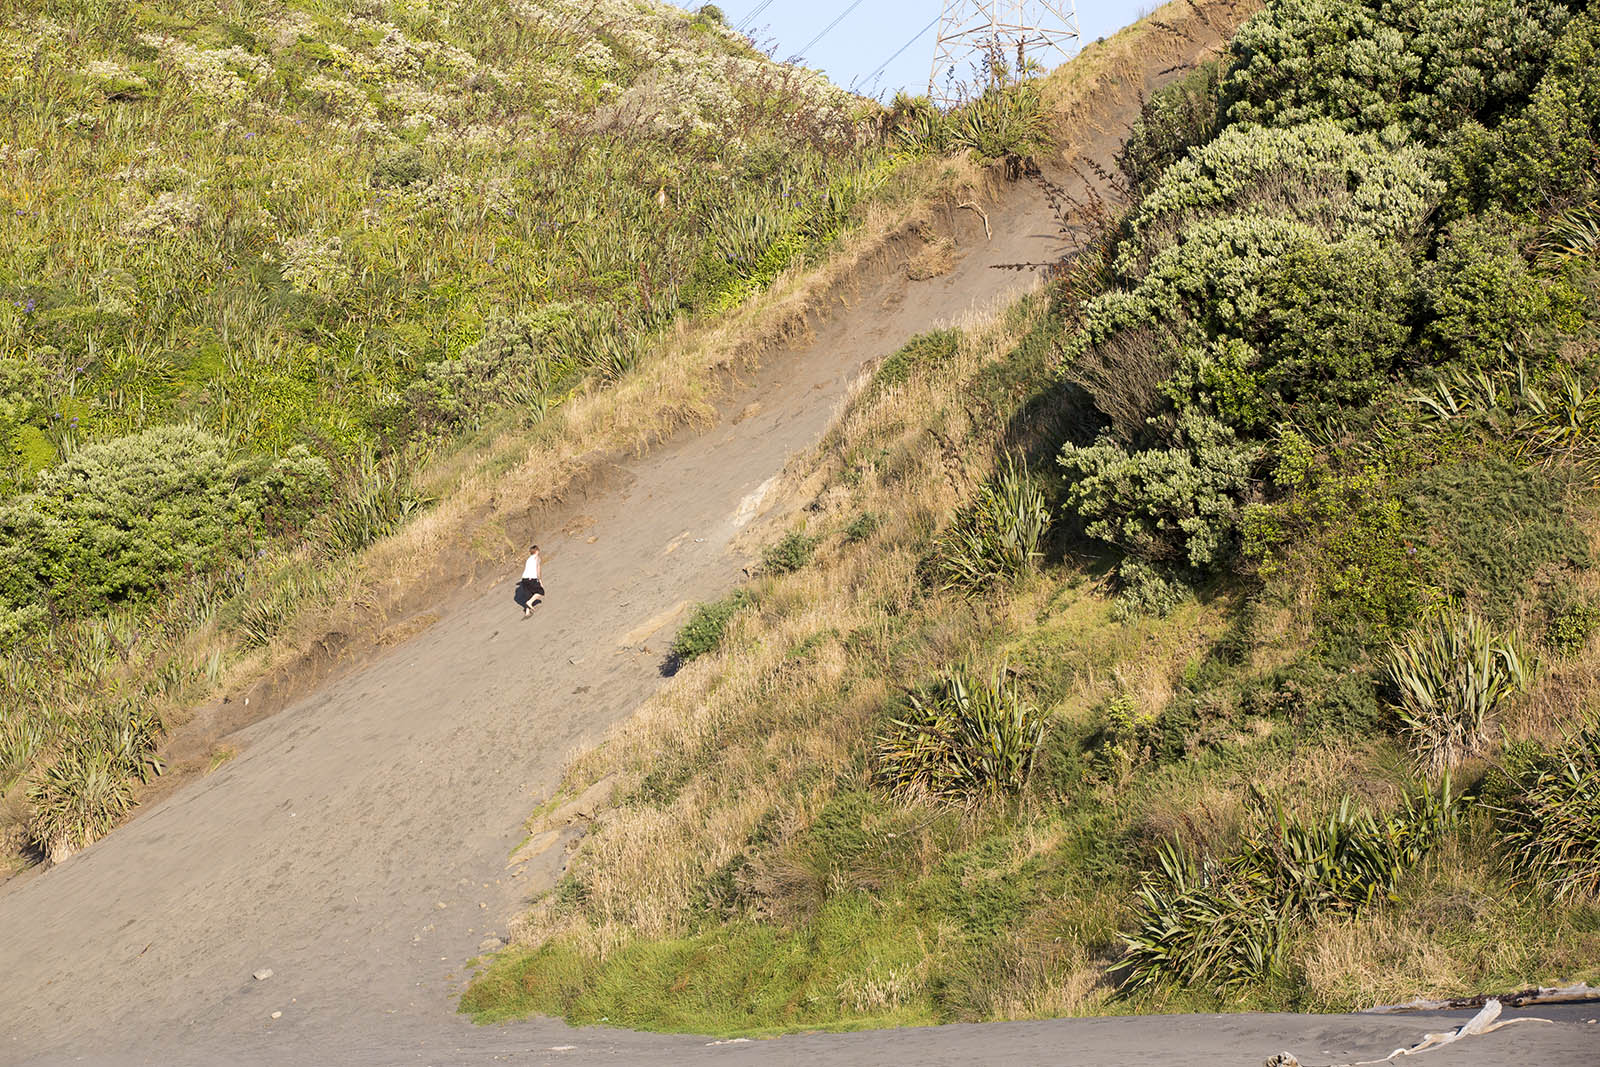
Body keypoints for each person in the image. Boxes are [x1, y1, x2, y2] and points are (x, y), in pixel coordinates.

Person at [515, 544, 544, 617]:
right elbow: (538, 570)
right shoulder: (537, 558)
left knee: (529, 595)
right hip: (531, 578)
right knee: (540, 592)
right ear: (537, 551)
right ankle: (530, 603)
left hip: (524, 579)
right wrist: (540, 581)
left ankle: (527, 612)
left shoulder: (528, 559)